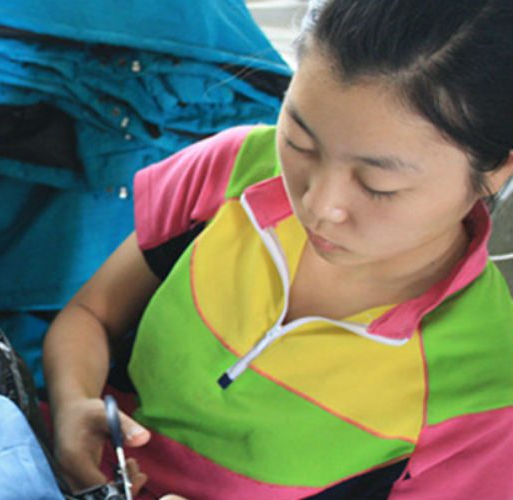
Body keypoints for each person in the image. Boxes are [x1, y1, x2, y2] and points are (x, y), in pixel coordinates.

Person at [42, 0, 513, 497]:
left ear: (497, 170)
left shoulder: (486, 385)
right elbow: (91, 314)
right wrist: (72, 404)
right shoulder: (232, 169)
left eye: (378, 185)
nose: (318, 204)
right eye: (299, 142)